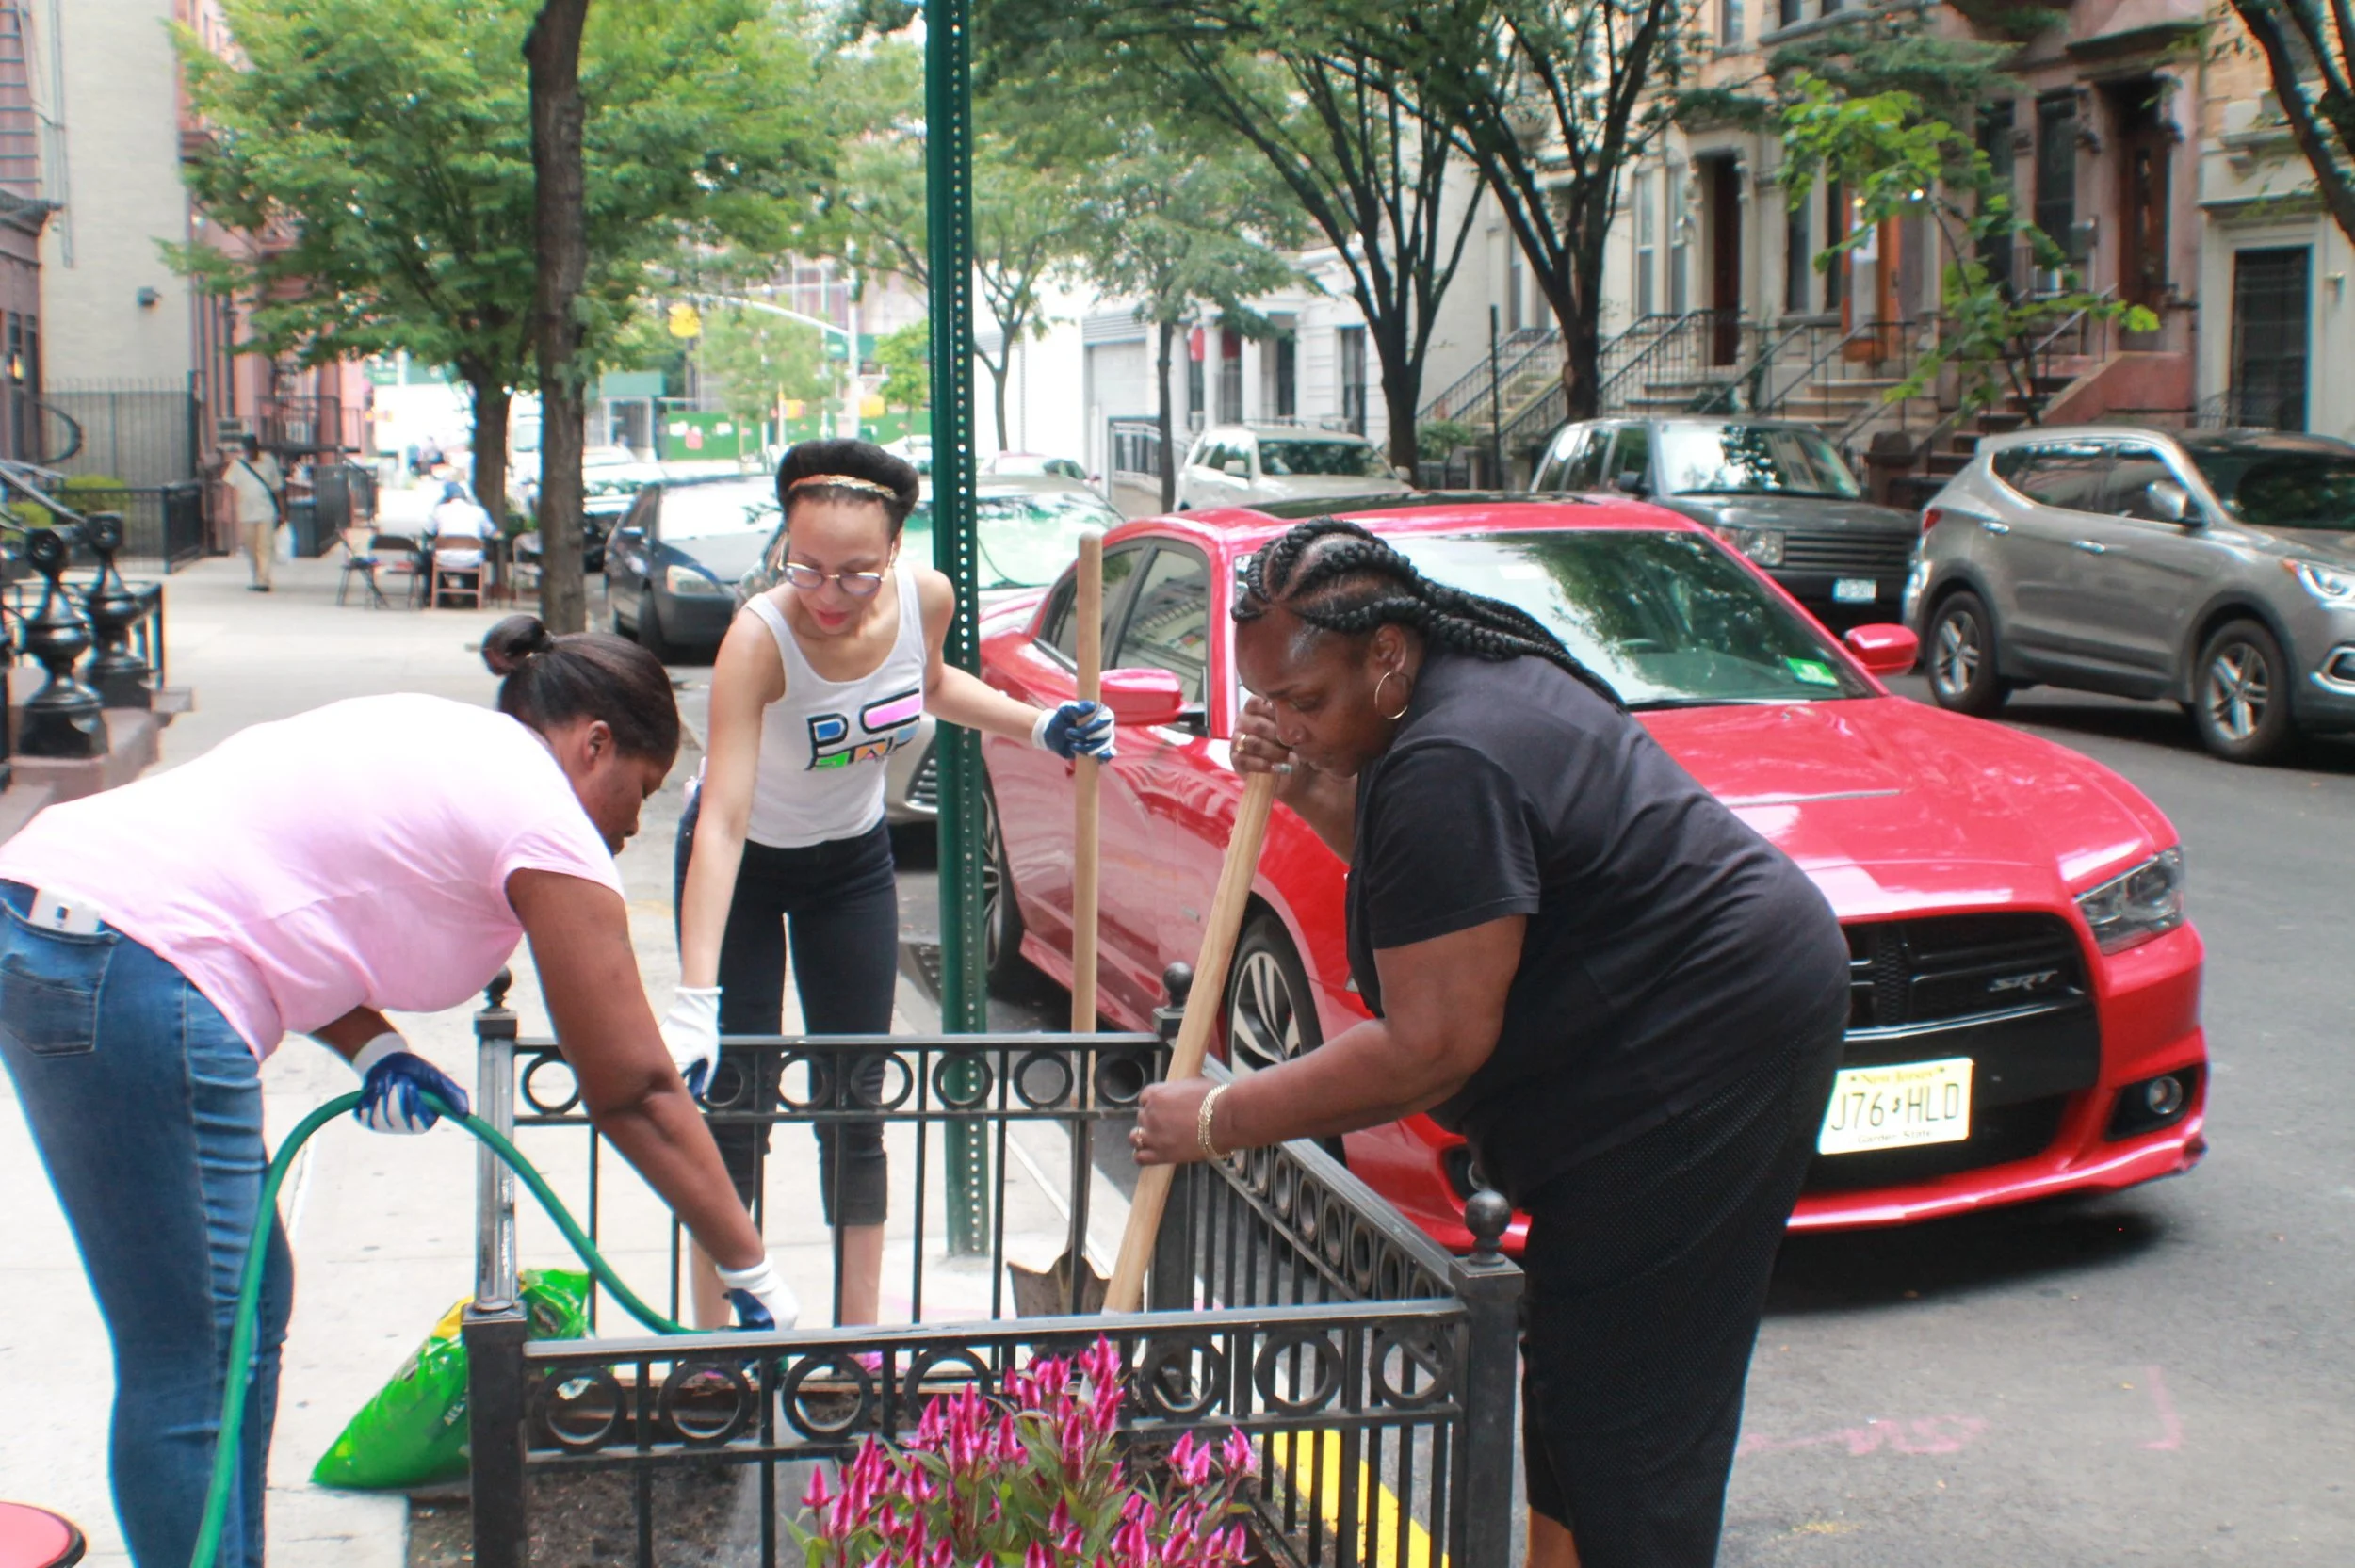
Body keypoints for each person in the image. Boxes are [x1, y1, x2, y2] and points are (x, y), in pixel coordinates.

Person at [1129, 518, 1851, 1568]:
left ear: (1384, 653)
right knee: (1575, 1360)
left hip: (1696, 1048)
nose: (1288, 723)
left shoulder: (1450, 754)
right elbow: (1426, 867)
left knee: (1631, 1404)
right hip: (1657, 1029)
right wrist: (1300, 777)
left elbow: (1431, 1047)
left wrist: (1213, 1115)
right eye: (1269, 703)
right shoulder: (1444, 680)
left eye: (1306, 701)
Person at [0, 618, 795, 1568]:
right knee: (199, 1351)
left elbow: (281, 888)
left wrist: (374, 1047)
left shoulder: (442, 741)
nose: (631, 824)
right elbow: (632, 1089)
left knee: (240, 1310)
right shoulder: (541, 811)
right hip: (132, 966)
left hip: (66, 924)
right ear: (594, 744)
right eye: (642, 789)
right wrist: (755, 1276)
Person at [666, 439, 1113, 1329]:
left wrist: (1040, 725)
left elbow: (934, 682)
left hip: (851, 866)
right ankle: (714, 1338)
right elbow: (719, 820)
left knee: (853, 1099)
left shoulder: (926, 599)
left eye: (856, 575)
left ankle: (855, 1337)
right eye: (807, 569)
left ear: (898, 551)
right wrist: (694, 992)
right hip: (743, 866)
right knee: (733, 1101)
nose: (828, 596)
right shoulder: (760, 637)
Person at [222, 436, 284, 593]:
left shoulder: (269, 461)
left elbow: (277, 487)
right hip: (246, 512)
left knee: (265, 545)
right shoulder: (237, 465)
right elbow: (228, 486)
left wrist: (283, 511)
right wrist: (227, 508)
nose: (250, 453)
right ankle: (256, 575)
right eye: (247, 450)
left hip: (266, 510)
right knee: (250, 546)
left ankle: (264, 579)